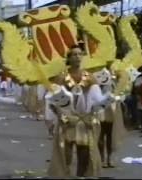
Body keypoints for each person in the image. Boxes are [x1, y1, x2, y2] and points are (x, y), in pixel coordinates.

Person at [48, 45, 112, 177]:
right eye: (74, 54)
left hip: (84, 120)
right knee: (66, 154)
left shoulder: (90, 77)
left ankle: (80, 176)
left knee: (84, 153)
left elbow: (97, 101)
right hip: (68, 121)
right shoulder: (61, 77)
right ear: (69, 58)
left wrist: (105, 103)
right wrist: (61, 116)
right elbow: (53, 101)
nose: (77, 57)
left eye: (80, 54)